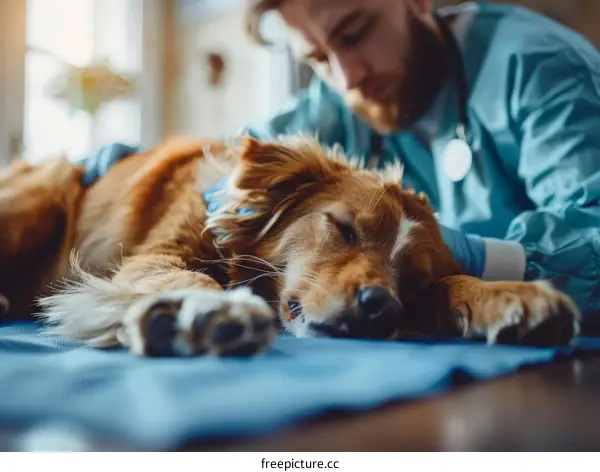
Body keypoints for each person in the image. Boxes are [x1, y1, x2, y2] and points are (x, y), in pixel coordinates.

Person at [80, 0, 600, 325]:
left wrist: (474, 256)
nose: (348, 76)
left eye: (355, 33)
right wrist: (112, 167)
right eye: (318, 59)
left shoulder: (535, 68)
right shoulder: (335, 103)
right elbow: (238, 158)